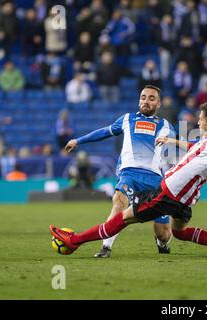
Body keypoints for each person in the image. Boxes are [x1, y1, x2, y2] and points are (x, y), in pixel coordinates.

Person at [51, 101, 207, 256]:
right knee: (178, 232)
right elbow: (197, 147)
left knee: (121, 219)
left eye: (200, 119)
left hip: (167, 193)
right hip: (186, 200)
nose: (197, 122)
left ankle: (74, 241)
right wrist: (172, 142)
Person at [64, 85, 175, 257]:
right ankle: (106, 248)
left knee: (163, 232)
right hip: (129, 174)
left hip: (154, 180)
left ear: (159, 104)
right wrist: (78, 141)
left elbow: (177, 150)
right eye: (143, 97)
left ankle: (162, 243)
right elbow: (104, 132)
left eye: (151, 98)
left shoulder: (166, 126)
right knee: (119, 201)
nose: (146, 101)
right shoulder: (126, 119)